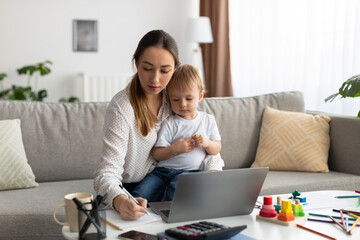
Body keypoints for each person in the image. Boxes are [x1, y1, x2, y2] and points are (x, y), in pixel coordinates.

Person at [94, 30, 180, 220]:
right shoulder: (122, 107)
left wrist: (213, 174)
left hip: (175, 185)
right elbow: (106, 173)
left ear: (175, 69)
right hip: (134, 193)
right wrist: (120, 200)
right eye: (147, 68)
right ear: (136, 63)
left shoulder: (177, 100)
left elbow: (208, 144)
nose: (155, 79)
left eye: (165, 71)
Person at [131, 64, 224, 202]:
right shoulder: (169, 122)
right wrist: (175, 149)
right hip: (162, 172)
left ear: (200, 96)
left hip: (189, 173)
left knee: (175, 194)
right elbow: (157, 153)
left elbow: (217, 148)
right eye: (176, 99)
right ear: (169, 99)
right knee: (141, 192)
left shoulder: (207, 120)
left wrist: (207, 143)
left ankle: (164, 217)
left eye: (188, 99)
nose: (182, 104)